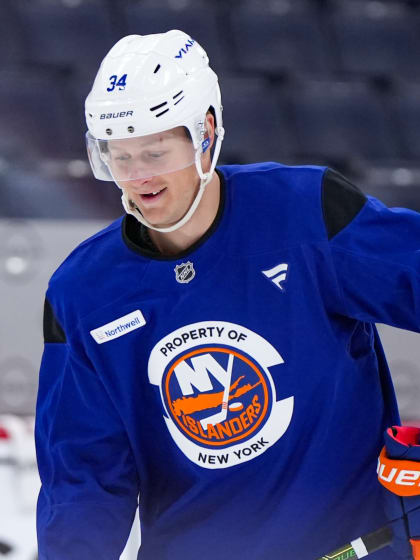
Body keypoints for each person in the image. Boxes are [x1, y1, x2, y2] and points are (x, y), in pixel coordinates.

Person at [35, 30, 420, 560]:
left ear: (205, 134)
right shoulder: (82, 291)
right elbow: (83, 482)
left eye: (153, 151)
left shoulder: (305, 212)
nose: (138, 178)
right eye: (120, 158)